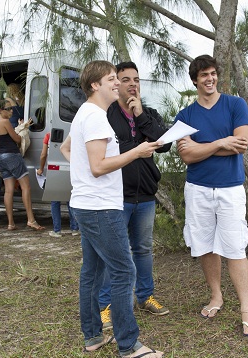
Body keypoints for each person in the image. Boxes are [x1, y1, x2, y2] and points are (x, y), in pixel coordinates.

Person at [60, 60, 164, 358]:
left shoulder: (88, 114)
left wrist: (80, 172)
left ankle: (93, 336)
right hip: (100, 208)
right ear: (95, 85)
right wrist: (137, 151)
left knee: (92, 272)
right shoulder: (95, 118)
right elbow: (98, 167)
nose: (117, 84)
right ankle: (128, 344)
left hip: (87, 204)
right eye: (111, 80)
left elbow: (70, 150)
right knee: (124, 270)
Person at [175, 55, 248, 337]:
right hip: (197, 188)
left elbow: (242, 145)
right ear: (195, 80)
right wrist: (222, 142)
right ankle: (216, 296)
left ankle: (246, 308)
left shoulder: (236, 105)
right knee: (206, 246)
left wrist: (204, 147)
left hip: (229, 188)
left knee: (235, 247)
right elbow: (186, 155)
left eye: (213, 74)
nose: (209, 79)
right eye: (203, 75)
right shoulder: (186, 115)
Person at [98, 61, 171, 329]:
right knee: (114, 252)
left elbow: (164, 144)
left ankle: (145, 296)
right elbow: (106, 152)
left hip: (146, 196)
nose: (132, 84)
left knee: (143, 248)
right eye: (125, 79)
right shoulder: (106, 115)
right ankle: (105, 306)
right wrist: (139, 146)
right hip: (117, 196)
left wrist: (140, 115)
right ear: (115, 83)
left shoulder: (148, 113)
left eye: (136, 79)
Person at [0, 100, 45, 231]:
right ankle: (31, 220)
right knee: (25, 187)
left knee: (8, 190)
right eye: (8, 109)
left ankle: (10, 223)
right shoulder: (5, 122)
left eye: (11, 109)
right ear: (0, 110)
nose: (11, 111)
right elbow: (16, 139)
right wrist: (22, 129)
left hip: (1, 158)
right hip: (12, 156)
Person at [36, 132, 79, 237]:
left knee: (55, 200)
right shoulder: (72, 132)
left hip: (55, 169)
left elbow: (43, 154)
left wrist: (41, 169)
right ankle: (75, 229)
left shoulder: (49, 135)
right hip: (70, 167)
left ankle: (57, 230)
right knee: (70, 198)